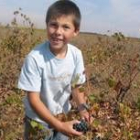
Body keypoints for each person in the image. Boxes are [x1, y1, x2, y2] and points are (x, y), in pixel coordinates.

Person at [18, 0, 90, 139]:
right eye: (53, 25)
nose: (58, 32)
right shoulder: (35, 58)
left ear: (76, 31)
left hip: (63, 117)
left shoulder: (76, 55)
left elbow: (76, 87)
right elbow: (33, 100)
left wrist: (82, 108)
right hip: (38, 122)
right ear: (46, 25)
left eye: (65, 27)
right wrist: (59, 125)